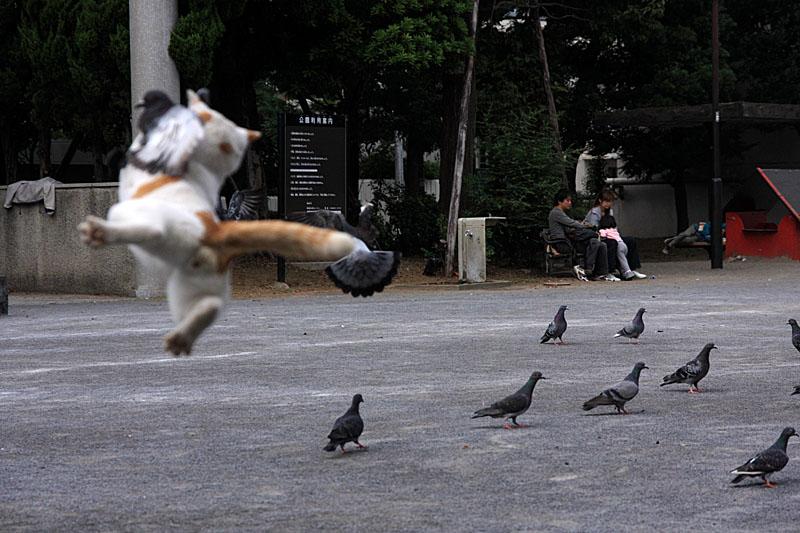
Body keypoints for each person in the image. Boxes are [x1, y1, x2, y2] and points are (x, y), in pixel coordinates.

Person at [548, 189, 617, 281]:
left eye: (570, 200)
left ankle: (602, 272)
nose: (570, 203)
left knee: (600, 244)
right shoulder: (556, 212)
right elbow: (571, 223)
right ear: (559, 201)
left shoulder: (562, 212)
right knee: (594, 240)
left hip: (569, 241)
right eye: (567, 200)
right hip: (563, 243)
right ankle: (589, 270)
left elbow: (569, 227)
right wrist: (584, 225)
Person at [584, 190, 647, 281]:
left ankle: (631, 268)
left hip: (611, 235)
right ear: (600, 200)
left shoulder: (609, 211)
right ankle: (610, 271)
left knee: (630, 240)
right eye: (606, 201)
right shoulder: (594, 213)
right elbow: (594, 229)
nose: (608, 204)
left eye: (610, 202)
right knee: (612, 243)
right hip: (599, 237)